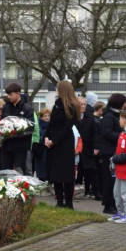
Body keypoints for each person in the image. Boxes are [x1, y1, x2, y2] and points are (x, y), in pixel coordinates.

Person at [44, 80, 81, 208]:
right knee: (56, 174)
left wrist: (54, 140)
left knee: (67, 174)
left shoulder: (70, 106)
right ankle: (59, 201)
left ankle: (69, 203)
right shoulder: (57, 104)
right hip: (54, 142)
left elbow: (67, 127)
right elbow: (52, 123)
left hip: (64, 143)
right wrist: (47, 137)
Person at [96, 93, 126, 215]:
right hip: (109, 152)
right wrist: (122, 135)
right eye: (124, 103)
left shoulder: (117, 114)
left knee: (115, 180)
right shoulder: (109, 117)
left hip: (116, 151)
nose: (125, 105)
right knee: (109, 179)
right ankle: (108, 204)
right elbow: (107, 133)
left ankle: (114, 202)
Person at [0, 83, 34, 173]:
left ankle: (20, 186)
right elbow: (2, 122)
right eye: (8, 95)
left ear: (18, 93)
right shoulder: (6, 107)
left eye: (11, 95)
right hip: (7, 145)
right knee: (6, 171)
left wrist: (15, 131)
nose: (9, 97)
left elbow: (30, 128)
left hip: (20, 146)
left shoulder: (27, 108)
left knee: (19, 170)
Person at [77, 92, 99, 199]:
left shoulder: (89, 117)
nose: (83, 106)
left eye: (84, 104)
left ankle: (95, 191)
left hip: (87, 147)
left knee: (91, 170)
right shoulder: (71, 117)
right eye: (81, 104)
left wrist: (95, 147)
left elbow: (95, 132)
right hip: (74, 148)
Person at [34, 108, 51, 182]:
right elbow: (37, 135)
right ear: (41, 117)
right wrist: (44, 140)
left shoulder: (52, 125)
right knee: (41, 165)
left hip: (50, 148)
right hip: (41, 149)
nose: (47, 117)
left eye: (48, 116)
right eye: (45, 116)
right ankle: (42, 180)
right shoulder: (38, 125)